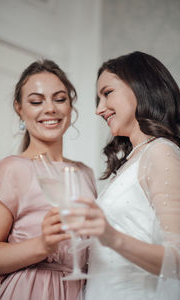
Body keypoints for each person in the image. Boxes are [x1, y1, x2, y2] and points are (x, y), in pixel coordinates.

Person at [63, 51, 180, 299]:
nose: (98, 109)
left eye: (107, 93)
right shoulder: (132, 160)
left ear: (140, 87)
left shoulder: (160, 153)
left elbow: (178, 260)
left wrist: (111, 237)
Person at [0, 59, 97, 300]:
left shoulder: (85, 173)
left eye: (60, 99)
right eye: (36, 101)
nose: (50, 108)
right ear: (20, 109)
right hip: (29, 291)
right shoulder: (11, 169)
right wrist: (41, 246)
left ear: (70, 106)